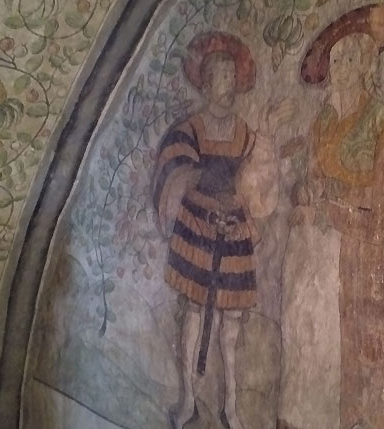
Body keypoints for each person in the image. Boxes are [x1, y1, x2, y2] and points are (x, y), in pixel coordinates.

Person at [278, 4, 384, 429]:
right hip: (316, 260)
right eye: (335, 60)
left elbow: (383, 208)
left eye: (349, 59)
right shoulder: (323, 122)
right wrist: (305, 193)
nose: (339, 69)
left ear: (366, 64)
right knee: (311, 354)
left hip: (361, 264)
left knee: (366, 364)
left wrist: (328, 203)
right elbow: (308, 181)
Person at [153, 31, 296, 429]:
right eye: (221, 77)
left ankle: (230, 406)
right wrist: (202, 182)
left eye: (233, 77)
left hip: (233, 233)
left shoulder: (244, 132)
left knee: (231, 321)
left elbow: (255, 178)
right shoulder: (190, 129)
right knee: (194, 313)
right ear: (206, 82)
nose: (228, 84)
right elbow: (175, 173)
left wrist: (267, 140)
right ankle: (188, 400)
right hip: (196, 229)